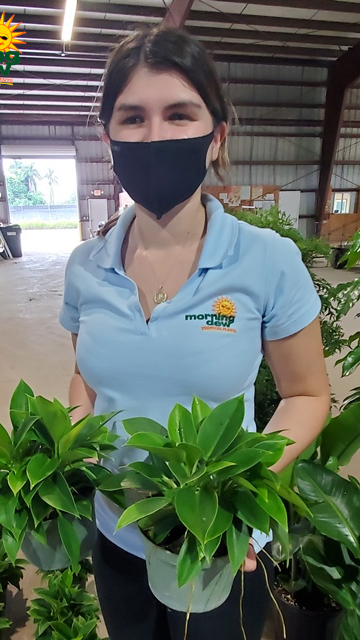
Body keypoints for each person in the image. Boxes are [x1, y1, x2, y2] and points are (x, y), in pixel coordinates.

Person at [59, 27, 331, 640]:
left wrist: (243, 491)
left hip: (219, 541)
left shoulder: (268, 260)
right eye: (133, 118)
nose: (155, 136)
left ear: (217, 137)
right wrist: (69, 453)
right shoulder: (85, 266)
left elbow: (308, 394)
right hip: (118, 532)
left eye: (179, 115)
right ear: (108, 138)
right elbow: (84, 378)